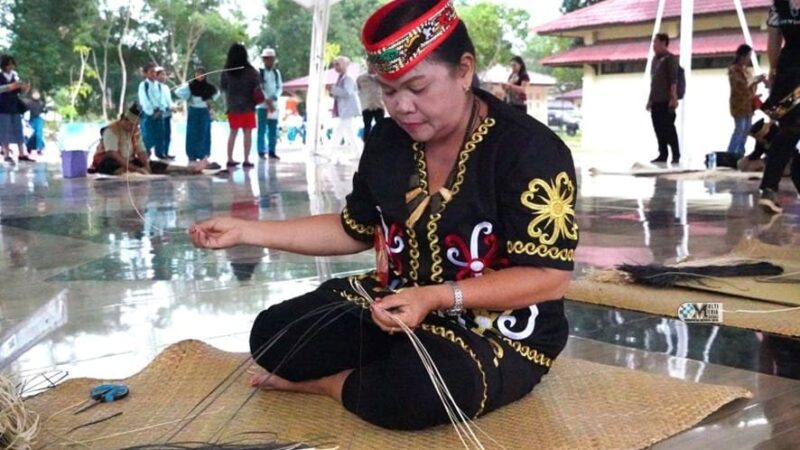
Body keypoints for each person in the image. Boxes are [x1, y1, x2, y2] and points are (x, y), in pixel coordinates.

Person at [190, 0, 578, 431]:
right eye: (388, 91)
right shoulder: (388, 142)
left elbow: (550, 276)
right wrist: (247, 230)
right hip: (393, 302)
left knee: (414, 390)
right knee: (274, 335)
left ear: (464, 70)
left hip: (498, 327)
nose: (402, 107)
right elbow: (351, 228)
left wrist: (435, 297)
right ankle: (374, 374)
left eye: (417, 88)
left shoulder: (528, 151)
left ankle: (332, 385)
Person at [757, 0, 800, 214]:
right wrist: (773, 73)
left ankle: (769, 188)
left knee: (790, 132)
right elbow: (773, 41)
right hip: (790, 78)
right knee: (791, 130)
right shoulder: (779, 5)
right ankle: (769, 188)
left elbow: (774, 41)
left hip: (787, 74)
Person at [220, 43, 260, 168]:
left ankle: (230, 158)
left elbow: (223, 88)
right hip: (248, 106)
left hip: (233, 107)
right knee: (247, 133)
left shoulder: (226, 72)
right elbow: (257, 85)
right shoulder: (251, 71)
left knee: (233, 132)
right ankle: (246, 159)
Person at [90, 104, 152, 175]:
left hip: (129, 160)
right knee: (110, 164)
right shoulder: (112, 130)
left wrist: (147, 166)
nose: (134, 127)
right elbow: (113, 154)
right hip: (111, 162)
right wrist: (135, 169)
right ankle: (127, 171)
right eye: (132, 124)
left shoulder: (135, 131)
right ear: (124, 120)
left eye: (136, 125)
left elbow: (141, 151)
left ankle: (131, 171)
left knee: (158, 166)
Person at [727, 45, 766, 158]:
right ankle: (730, 153)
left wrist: (757, 83)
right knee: (739, 129)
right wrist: (756, 80)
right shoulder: (733, 70)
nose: (749, 58)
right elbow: (741, 85)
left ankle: (740, 152)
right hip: (738, 104)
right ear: (742, 56)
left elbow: (750, 86)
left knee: (747, 129)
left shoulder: (747, 70)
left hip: (749, 104)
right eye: (748, 55)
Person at [647, 33, 681, 164]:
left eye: (655, 42)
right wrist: (650, 99)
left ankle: (676, 154)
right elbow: (654, 82)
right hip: (656, 99)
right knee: (658, 128)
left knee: (668, 128)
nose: (653, 45)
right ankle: (662, 153)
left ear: (663, 43)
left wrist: (673, 97)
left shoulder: (670, 59)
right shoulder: (655, 60)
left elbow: (673, 80)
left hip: (667, 100)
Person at [176, 67, 219, 163]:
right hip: (193, 111)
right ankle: (192, 155)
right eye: (197, 74)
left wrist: (210, 102)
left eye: (201, 74)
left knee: (204, 133)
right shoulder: (190, 86)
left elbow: (216, 94)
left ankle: (203, 154)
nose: (199, 76)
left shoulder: (209, 87)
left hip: (204, 111)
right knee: (192, 133)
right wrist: (188, 97)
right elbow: (178, 92)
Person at [0, 55, 34, 164]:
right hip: (3, 107)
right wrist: (10, 87)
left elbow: (21, 93)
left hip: (14, 107)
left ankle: (22, 153)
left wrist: (25, 89)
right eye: (8, 64)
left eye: (12, 64)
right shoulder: (0, 76)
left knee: (18, 130)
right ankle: (6, 154)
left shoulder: (15, 77)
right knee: (5, 131)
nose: (11, 66)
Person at [330, 56, 361, 152]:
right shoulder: (341, 78)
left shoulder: (348, 78)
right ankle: (357, 152)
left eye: (337, 64)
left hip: (348, 109)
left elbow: (348, 93)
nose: (335, 67)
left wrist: (334, 90)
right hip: (345, 110)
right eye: (335, 64)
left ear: (344, 65)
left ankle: (331, 152)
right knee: (349, 132)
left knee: (339, 131)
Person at [256, 48, 283, 161]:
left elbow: (280, 87)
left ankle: (272, 151)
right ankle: (261, 151)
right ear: (263, 60)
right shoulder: (260, 72)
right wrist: (267, 100)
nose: (269, 61)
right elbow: (260, 88)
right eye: (267, 59)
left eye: (271, 59)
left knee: (273, 129)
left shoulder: (276, 73)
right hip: (262, 105)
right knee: (261, 129)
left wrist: (274, 98)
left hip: (274, 105)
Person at [138, 62, 168, 159]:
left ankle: (160, 153)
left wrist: (161, 110)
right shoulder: (143, 85)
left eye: (155, 72)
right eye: (151, 72)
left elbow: (162, 99)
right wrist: (151, 112)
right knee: (147, 134)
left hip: (159, 112)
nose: (154, 74)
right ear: (146, 73)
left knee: (160, 134)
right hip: (148, 113)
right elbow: (144, 100)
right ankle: (146, 153)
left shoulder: (159, 85)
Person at [357, 65, 384, 140]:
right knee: (367, 127)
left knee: (380, 127)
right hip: (367, 106)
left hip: (379, 105)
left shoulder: (381, 78)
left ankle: (380, 145)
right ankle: (366, 146)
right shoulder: (361, 78)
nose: (372, 66)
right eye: (370, 64)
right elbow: (358, 89)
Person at [156, 67, 176, 160]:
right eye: (162, 74)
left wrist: (172, 106)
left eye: (165, 75)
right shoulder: (154, 87)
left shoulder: (166, 87)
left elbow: (169, 100)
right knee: (160, 135)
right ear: (157, 75)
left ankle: (166, 152)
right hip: (159, 114)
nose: (164, 77)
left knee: (167, 134)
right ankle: (160, 153)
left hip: (167, 114)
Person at [25, 89, 47, 155]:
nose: (37, 95)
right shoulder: (28, 103)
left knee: (39, 134)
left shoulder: (41, 103)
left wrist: (45, 111)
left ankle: (39, 148)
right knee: (32, 134)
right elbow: (25, 111)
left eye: (38, 94)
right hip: (31, 119)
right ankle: (29, 146)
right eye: (35, 94)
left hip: (39, 119)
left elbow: (44, 110)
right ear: (32, 95)